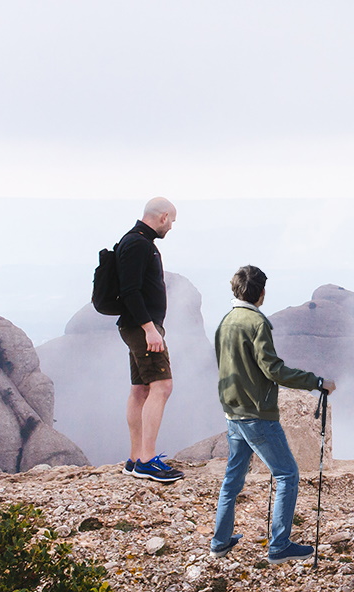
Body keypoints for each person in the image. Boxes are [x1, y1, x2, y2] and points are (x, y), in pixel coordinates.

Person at [210, 265, 336, 564]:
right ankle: (279, 546)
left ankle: (220, 542)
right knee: (287, 474)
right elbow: (273, 369)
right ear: (261, 293)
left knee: (232, 479)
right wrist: (316, 382)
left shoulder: (225, 322)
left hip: (233, 412)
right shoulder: (256, 323)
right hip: (257, 414)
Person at [116, 197, 184, 483]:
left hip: (138, 327)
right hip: (142, 328)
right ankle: (146, 461)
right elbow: (130, 291)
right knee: (162, 386)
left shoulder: (136, 241)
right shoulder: (138, 244)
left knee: (140, 389)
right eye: (172, 222)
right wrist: (149, 328)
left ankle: (135, 459)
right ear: (163, 217)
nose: (171, 228)